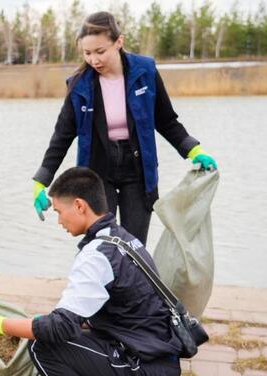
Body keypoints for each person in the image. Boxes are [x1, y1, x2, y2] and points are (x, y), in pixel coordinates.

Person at [0, 166, 182, 376]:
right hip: (160, 362)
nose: (58, 220)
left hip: (146, 371)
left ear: (80, 206)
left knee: (43, 345)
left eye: (59, 211)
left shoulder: (97, 254)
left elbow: (56, 329)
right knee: (79, 326)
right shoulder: (123, 238)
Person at [32, 11, 218, 245]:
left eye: (100, 52)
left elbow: (166, 120)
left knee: (133, 245)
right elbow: (62, 136)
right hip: (98, 171)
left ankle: (133, 282)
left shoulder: (145, 72)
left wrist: (193, 150)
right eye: (87, 53)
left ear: (119, 42)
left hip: (138, 169)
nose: (94, 60)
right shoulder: (79, 85)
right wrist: (41, 180)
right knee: (101, 243)